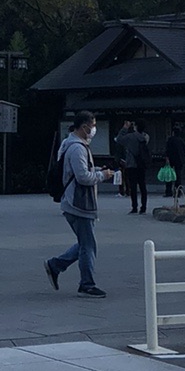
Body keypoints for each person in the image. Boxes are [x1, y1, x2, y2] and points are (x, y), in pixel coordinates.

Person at [44, 110, 114, 297]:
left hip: (75, 202)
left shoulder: (72, 145)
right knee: (88, 245)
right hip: (78, 203)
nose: (93, 130)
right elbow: (82, 177)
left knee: (85, 243)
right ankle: (86, 284)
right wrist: (102, 175)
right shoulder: (77, 148)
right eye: (92, 126)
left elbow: (79, 171)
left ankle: (56, 265)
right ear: (84, 127)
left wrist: (98, 170)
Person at [116, 120, 149, 215]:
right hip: (142, 164)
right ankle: (144, 207)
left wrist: (125, 128)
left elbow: (119, 139)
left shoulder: (131, 137)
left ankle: (134, 207)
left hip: (131, 164)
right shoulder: (145, 137)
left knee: (133, 187)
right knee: (143, 186)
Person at [164, 131, 185, 198]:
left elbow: (167, 150)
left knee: (169, 175)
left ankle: (168, 191)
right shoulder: (182, 141)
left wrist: (167, 158)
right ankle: (178, 192)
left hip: (171, 159)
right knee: (178, 176)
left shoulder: (170, 140)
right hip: (179, 160)